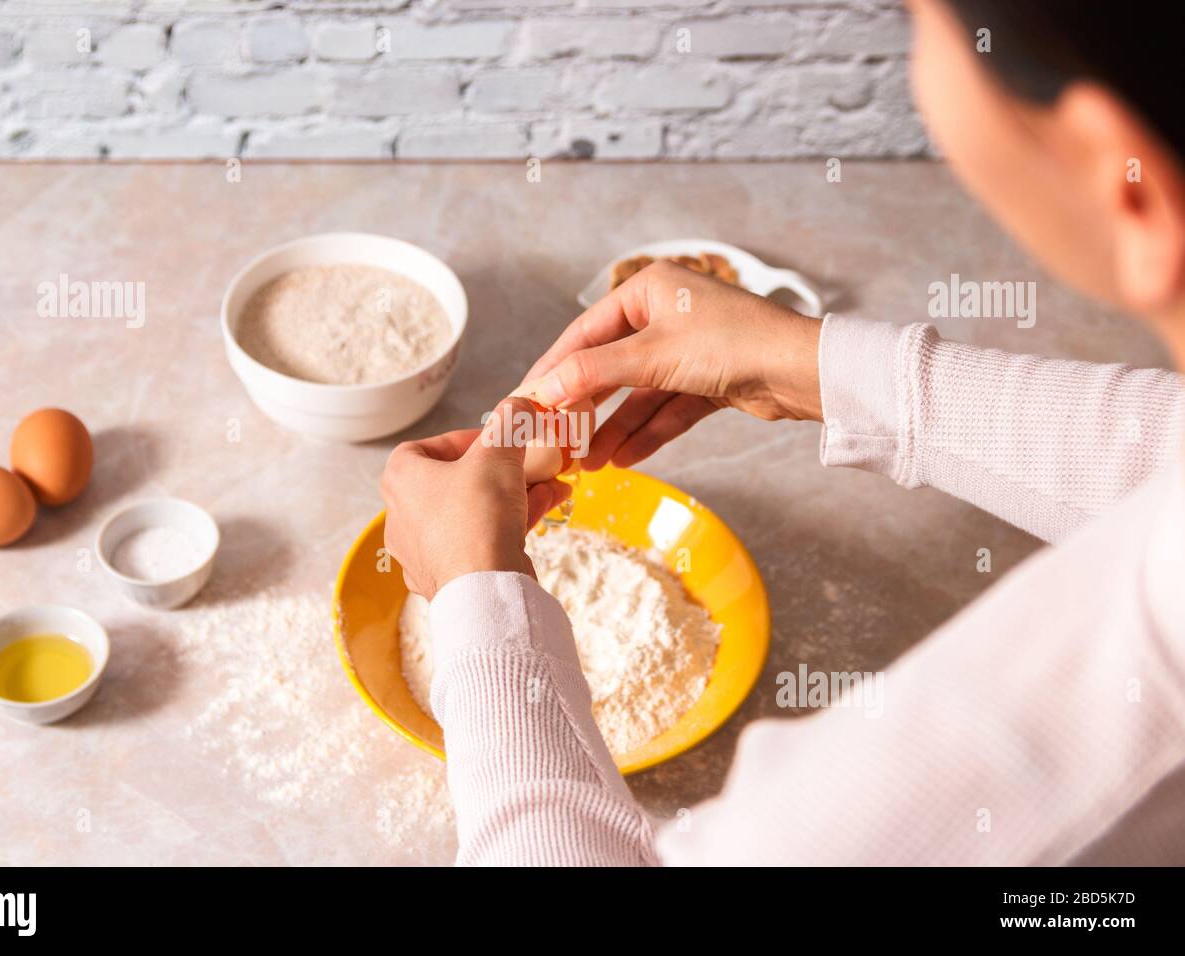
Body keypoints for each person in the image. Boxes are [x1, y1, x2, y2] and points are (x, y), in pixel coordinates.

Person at [379, 0, 1185, 865]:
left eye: (922, 25)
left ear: (1128, 190)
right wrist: (809, 366)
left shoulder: (1102, 690)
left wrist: (477, 600)